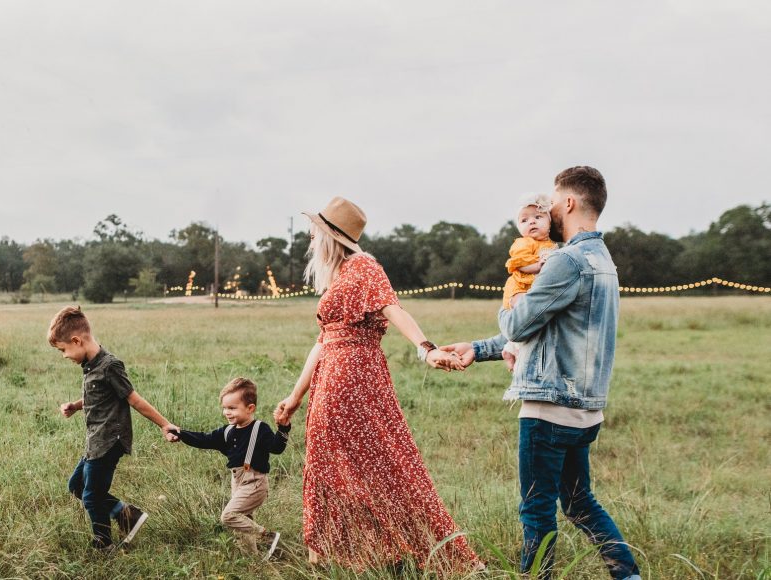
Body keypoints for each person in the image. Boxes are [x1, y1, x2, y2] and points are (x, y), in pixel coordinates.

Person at [442, 167, 641, 579]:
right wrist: (476, 349)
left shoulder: (565, 262)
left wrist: (508, 294)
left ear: (568, 203)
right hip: (586, 409)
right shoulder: (603, 260)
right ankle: (628, 575)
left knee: (536, 509)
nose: (547, 208)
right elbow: (543, 331)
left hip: (549, 408)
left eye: (552, 200)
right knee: (580, 503)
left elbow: (517, 326)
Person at [273, 197, 481, 573]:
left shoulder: (364, 266)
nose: (310, 238)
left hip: (355, 378)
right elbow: (322, 343)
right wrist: (294, 397)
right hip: (331, 378)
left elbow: (393, 308)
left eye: (315, 231)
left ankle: (401, 548)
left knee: (383, 463)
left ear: (331, 236)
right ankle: (338, 554)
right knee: (329, 465)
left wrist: (426, 349)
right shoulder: (337, 277)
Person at [51, 305, 181, 551]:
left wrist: (165, 425)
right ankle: (127, 515)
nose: (64, 356)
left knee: (91, 495)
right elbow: (100, 396)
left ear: (77, 341)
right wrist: (76, 405)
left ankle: (103, 544)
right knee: (76, 486)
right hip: (95, 441)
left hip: (110, 441)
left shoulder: (110, 365)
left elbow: (134, 399)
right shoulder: (90, 365)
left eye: (64, 350)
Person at [168, 377, 289, 559]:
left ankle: (268, 537)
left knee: (229, 516)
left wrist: (283, 427)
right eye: (225, 408)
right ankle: (251, 559)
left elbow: (277, 448)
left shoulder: (259, 429)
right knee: (243, 522)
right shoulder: (227, 431)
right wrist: (180, 433)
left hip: (255, 482)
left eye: (232, 408)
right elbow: (204, 439)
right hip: (237, 481)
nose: (227, 412)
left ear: (250, 408)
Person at [501, 193, 558, 371]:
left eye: (538, 217)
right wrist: (537, 266)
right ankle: (514, 349)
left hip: (532, 287)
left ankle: (511, 348)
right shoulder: (524, 243)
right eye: (524, 220)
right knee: (524, 312)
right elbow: (519, 263)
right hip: (519, 287)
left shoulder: (552, 245)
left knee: (533, 318)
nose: (531, 222)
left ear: (549, 223)